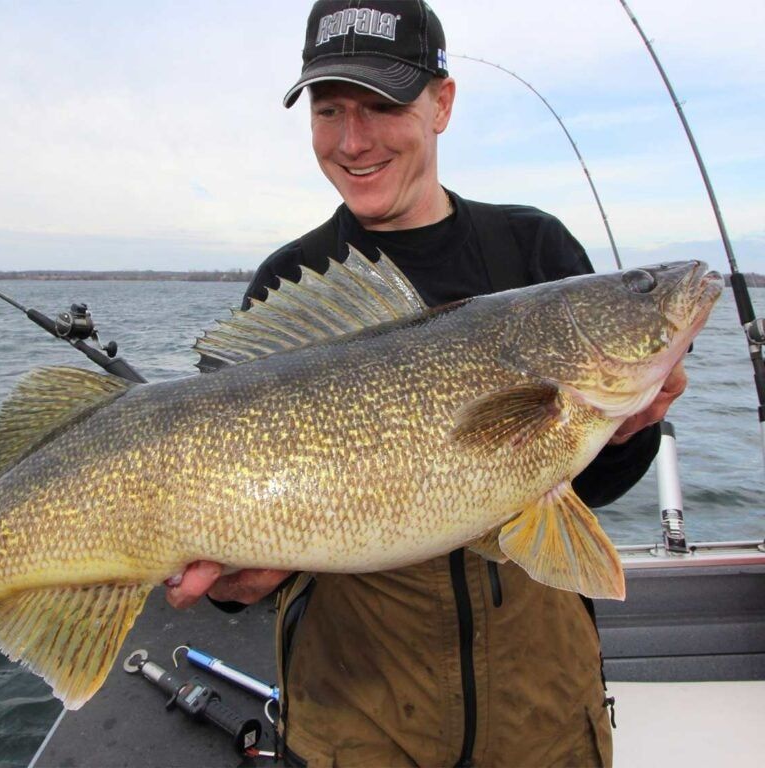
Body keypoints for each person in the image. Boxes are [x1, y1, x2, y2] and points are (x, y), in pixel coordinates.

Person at [167, 2, 686, 765]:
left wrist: (630, 426)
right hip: (359, 714)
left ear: (441, 104)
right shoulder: (292, 282)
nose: (354, 139)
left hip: (539, 711)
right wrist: (229, 582)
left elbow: (594, 487)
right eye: (330, 109)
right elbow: (228, 543)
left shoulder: (534, 247)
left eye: (382, 105)